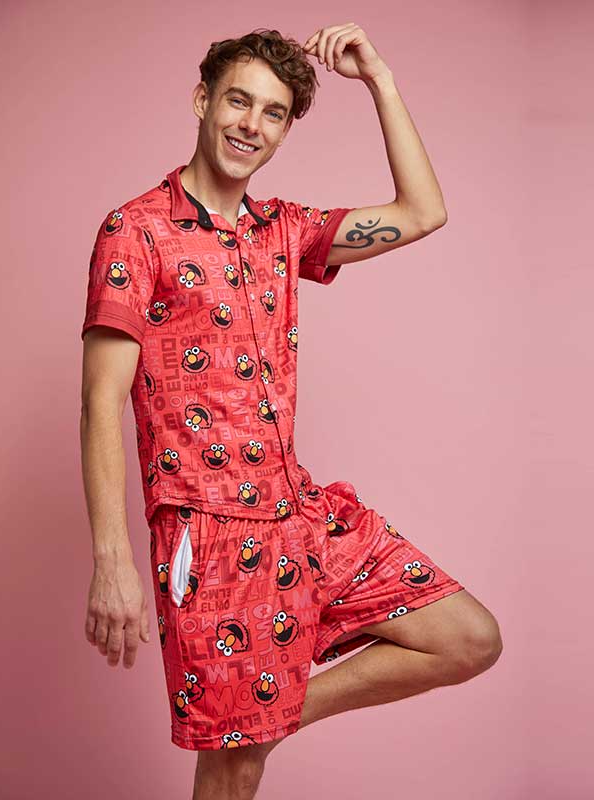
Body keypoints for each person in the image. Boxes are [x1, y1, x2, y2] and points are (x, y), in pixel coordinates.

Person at [79, 24, 502, 800]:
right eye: (238, 101)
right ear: (203, 100)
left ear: (284, 130)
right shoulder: (135, 232)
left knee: (469, 637)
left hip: (298, 516)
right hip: (208, 538)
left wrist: (379, 80)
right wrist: (112, 561)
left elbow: (423, 211)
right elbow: (100, 399)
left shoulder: (284, 230)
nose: (252, 124)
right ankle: (247, 722)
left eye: (273, 113)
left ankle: (263, 714)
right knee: (234, 768)